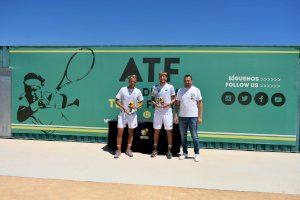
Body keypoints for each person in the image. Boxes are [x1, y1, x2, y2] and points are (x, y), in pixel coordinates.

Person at [175, 74, 203, 162]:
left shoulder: (196, 90)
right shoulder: (180, 90)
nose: (187, 82)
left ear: (191, 81)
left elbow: (200, 104)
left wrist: (200, 116)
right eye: (185, 80)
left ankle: (197, 153)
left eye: (189, 80)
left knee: (195, 136)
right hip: (182, 117)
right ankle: (185, 153)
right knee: (183, 137)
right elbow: (177, 104)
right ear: (184, 81)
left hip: (193, 117)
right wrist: (176, 115)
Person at [114, 75, 143, 158]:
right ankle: (118, 150)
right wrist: (123, 108)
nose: (132, 83)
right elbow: (116, 100)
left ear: (136, 82)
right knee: (120, 132)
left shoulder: (138, 91)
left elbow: (141, 102)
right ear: (128, 81)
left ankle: (128, 150)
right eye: (131, 81)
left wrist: (136, 106)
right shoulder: (123, 89)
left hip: (132, 115)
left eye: (134, 81)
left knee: (131, 133)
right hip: (122, 115)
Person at [150, 72, 176, 159]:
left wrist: (168, 104)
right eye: (161, 76)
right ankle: (155, 149)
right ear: (159, 77)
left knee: (169, 131)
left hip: (167, 112)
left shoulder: (170, 87)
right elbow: (152, 99)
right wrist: (155, 104)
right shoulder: (155, 87)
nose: (162, 78)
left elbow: (174, 99)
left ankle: (169, 150)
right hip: (158, 112)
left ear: (166, 77)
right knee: (156, 130)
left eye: (164, 76)